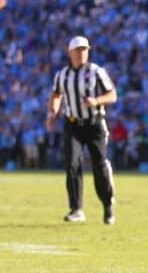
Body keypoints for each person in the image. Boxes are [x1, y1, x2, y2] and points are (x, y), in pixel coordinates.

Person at [45, 36, 117, 225]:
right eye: (78, 50)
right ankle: (76, 209)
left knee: (99, 165)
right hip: (73, 123)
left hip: (94, 124)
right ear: (70, 53)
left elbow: (112, 95)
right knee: (72, 163)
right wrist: (52, 113)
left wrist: (96, 101)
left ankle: (107, 206)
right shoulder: (62, 75)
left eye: (84, 49)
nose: (82, 53)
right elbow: (56, 95)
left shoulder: (97, 72)